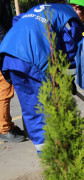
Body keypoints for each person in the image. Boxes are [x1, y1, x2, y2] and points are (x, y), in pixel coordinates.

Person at [0, 0, 84, 152]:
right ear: (77, 8)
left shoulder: (41, 8)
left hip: (10, 54)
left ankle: (45, 152)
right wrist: (68, 79)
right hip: (35, 57)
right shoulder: (70, 17)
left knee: (31, 107)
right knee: (49, 105)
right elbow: (68, 52)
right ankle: (57, 152)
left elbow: (17, 20)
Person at [0, 0, 25, 142]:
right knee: (5, 88)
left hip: (5, 44)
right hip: (3, 47)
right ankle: (4, 129)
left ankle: (7, 124)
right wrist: (8, 47)